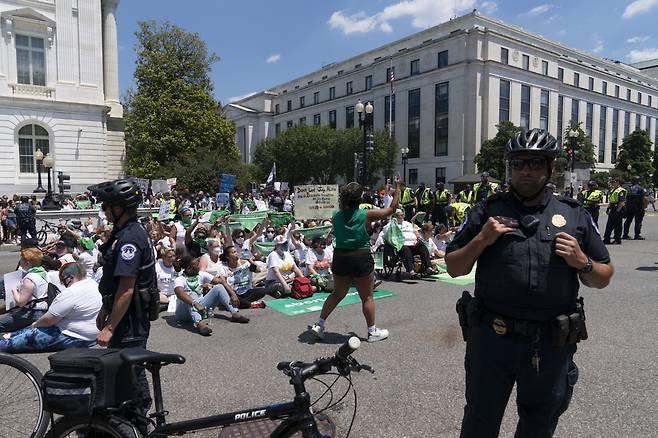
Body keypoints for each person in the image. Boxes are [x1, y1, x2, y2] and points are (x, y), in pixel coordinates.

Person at [445, 128, 614, 437]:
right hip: (492, 340)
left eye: (535, 163)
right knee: (479, 421)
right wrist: (481, 240)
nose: (525, 171)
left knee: (538, 425)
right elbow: (454, 267)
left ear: (550, 168)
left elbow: (603, 276)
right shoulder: (487, 211)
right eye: (518, 163)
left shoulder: (573, 214)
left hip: (549, 345)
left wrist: (582, 262)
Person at [87, 178, 156, 416]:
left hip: (130, 321)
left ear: (119, 208)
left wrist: (109, 327)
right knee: (125, 371)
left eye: (106, 206)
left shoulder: (130, 239)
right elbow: (115, 283)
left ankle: (141, 421)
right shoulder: (124, 232)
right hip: (124, 315)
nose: (103, 211)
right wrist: (106, 308)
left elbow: (127, 288)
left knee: (132, 371)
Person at [310, 175, 402, 343]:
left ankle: (319, 324)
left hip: (340, 256)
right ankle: (372, 331)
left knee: (337, 294)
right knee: (367, 297)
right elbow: (392, 209)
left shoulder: (336, 214)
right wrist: (398, 187)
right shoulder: (365, 214)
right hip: (360, 256)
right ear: (359, 199)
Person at [0, 262, 101, 353]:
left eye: (63, 281)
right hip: (91, 336)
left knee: (14, 342)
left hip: (73, 336)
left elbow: (48, 320)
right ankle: (10, 335)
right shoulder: (95, 285)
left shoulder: (71, 292)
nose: (63, 284)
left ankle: (7, 341)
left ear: (70, 277)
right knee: (28, 330)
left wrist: (34, 325)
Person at [173, 255, 249, 336]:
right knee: (191, 294)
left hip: (200, 308)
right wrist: (195, 303)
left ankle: (234, 313)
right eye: (196, 265)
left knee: (218, 287)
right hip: (184, 314)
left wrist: (233, 294)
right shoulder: (180, 279)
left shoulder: (201, 274)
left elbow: (221, 281)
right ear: (189, 268)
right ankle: (200, 324)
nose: (199, 267)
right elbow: (179, 293)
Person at [0, 247, 49, 332]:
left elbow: (21, 302)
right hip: (42, 310)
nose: (20, 261)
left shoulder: (30, 278)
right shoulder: (43, 272)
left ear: (27, 263)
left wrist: (13, 289)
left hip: (32, 312)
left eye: (22, 259)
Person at [622, 176, 647, 240]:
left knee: (628, 221)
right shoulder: (641, 188)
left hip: (629, 207)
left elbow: (624, 198)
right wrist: (644, 206)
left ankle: (625, 234)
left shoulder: (628, 188)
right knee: (638, 221)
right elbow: (644, 198)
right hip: (638, 207)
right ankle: (637, 235)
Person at [603, 177, 626, 245]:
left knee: (617, 225)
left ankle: (617, 239)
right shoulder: (613, 190)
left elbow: (621, 202)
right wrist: (608, 208)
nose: (612, 183)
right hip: (612, 208)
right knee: (609, 224)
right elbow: (611, 200)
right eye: (612, 182)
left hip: (617, 209)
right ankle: (606, 238)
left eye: (614, 182)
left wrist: (618, 211)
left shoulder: (621, 190)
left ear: (618, 182)